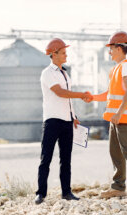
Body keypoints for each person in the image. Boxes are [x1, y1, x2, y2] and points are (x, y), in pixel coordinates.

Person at [85, 31, 127, 204]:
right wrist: (93, 98)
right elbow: (111, 94)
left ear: (119, 48)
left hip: (123, 117)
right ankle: (118, 187)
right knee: (115, 152)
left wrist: (119, 113)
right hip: (116, 118)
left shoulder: (126, 66)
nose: (109, 52)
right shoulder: (117, 68)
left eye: (111, 49)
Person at [35, 38, 93, 205]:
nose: (66, 55)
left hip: (67, 121)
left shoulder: (65, 73)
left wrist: (73, 116)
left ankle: (66, 192)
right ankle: (41, 194)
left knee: (66, 159)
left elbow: (67, 100)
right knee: (45, 158)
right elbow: (60, 93)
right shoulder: (47, 73)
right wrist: (82, 94)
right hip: (52, 121)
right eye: (63, 52)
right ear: (54, 54)